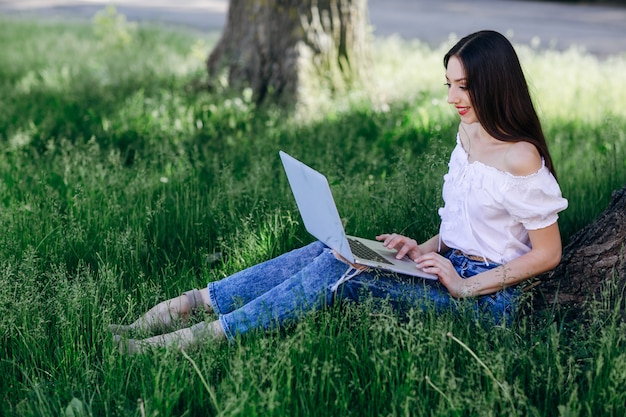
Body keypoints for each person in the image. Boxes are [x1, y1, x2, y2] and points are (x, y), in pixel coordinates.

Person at [111, 30, 568, 354]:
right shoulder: (468, 135)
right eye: (448, 84)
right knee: (336, 248)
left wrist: (465, 285)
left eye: (464, 86)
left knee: (346, 271)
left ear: (494, 84)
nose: (452, 97)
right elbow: (464, 226)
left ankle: (199, 338)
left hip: (490, 301)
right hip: (447, 269)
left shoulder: (520, 158)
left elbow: (547, 254)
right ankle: (193, 304)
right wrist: (421, 249)